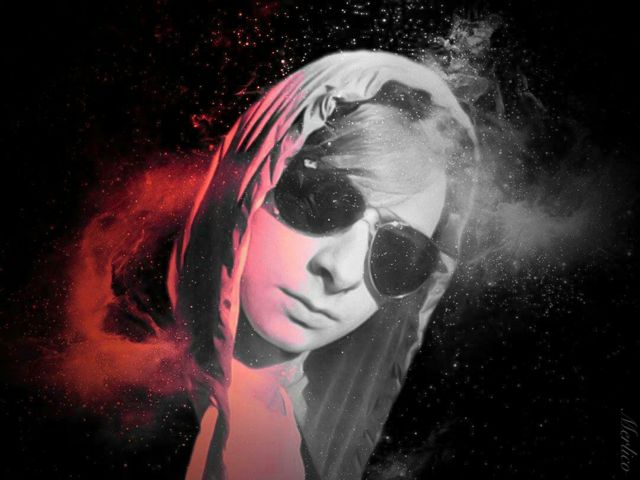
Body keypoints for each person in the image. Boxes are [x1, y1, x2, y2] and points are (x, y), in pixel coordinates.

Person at [168, 50, 480, 480]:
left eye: (399, 253)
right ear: (250, 182)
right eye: (323, 202)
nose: (342, 272)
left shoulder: (300, 452)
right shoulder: (99, 397)